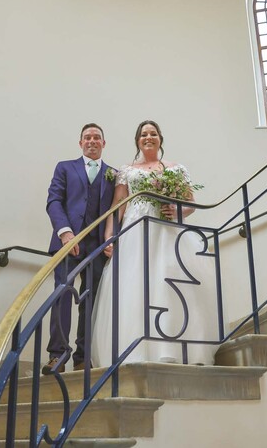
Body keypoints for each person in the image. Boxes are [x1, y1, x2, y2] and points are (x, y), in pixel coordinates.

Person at [91, 120, 218, 367]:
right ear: (138, 141)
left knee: (168, 282)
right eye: (143, 134)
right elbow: (117, 206)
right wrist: (109, 235)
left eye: (153, 133)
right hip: (134, 230)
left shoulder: (175, 168)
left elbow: (190, 202)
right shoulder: (127, 170)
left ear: (160, 138)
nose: (148, 137)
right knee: (135, 284)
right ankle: (135, 349)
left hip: (167, 231)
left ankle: (175, 346)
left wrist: (177, 210)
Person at [44, 123, 116, 374]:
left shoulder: (113, 174)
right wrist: (65, 234)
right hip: (68, 244)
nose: (92, 141)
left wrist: (112, 239)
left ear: (104, 143)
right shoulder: (65, 168)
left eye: (97, 138)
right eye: (87, 137)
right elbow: (54, 201)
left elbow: (116, 212)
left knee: (92, 301)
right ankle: (59, 354)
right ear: (80, 143)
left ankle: (84, 356)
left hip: (98, 247)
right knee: (63, 293)